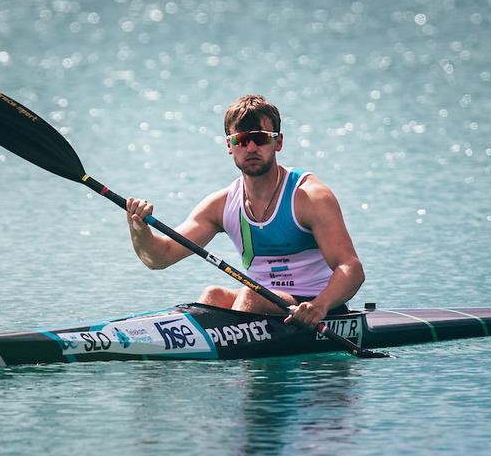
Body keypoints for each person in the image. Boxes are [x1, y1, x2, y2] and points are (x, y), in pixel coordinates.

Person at [125, 94, 365, 329]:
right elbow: (159, 257)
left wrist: (320, 306)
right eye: (241, 140)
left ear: (278, 142)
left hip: (316, 311)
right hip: (261, 306)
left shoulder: (309, 197)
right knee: (213, 296)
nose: (251, 147)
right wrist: (138, 227)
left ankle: (232, 366)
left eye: (260, 139)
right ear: (229, 145)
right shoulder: (221, 204)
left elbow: (351, 269)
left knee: (251, 296)